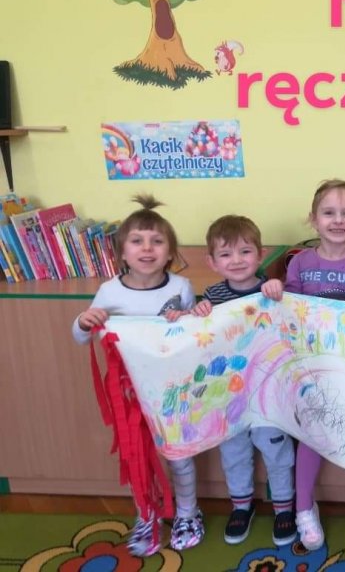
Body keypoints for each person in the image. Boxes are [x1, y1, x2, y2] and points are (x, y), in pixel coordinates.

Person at [71, 195, 203, 556]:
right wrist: (84, 321)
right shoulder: (109, 292)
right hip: (129, 395)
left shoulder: (180, 287)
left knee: (178, 454)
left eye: (157, 241)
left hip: (173, 388)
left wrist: (188, 319)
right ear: (123, 253)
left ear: (170, 252)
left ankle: (188, 513)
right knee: (137, 456)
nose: (147, 248)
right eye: (137, 241)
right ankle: (147, 513)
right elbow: (82, 336)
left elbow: (195, 338)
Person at [261, 179, 345, 551]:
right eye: (329, 213)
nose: (338, 220)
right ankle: (303, 509)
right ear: (313, 219)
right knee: (310, 437)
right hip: (311, 369)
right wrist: (275, 290)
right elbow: (288, 309)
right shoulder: (301, 262)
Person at [189, 215, 297, 547]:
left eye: (245, 252)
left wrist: (277, 290)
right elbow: (195, 334)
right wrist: (198, 311)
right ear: (212, 262)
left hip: (267, 391)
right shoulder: (212, 296)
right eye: (225, 254)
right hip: (228, 393)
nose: (236, 260)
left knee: (276, 450)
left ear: (260, 254)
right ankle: (241, 506)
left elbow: (290, 320)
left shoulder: (270, 289)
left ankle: (284, 507)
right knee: (233, 451)